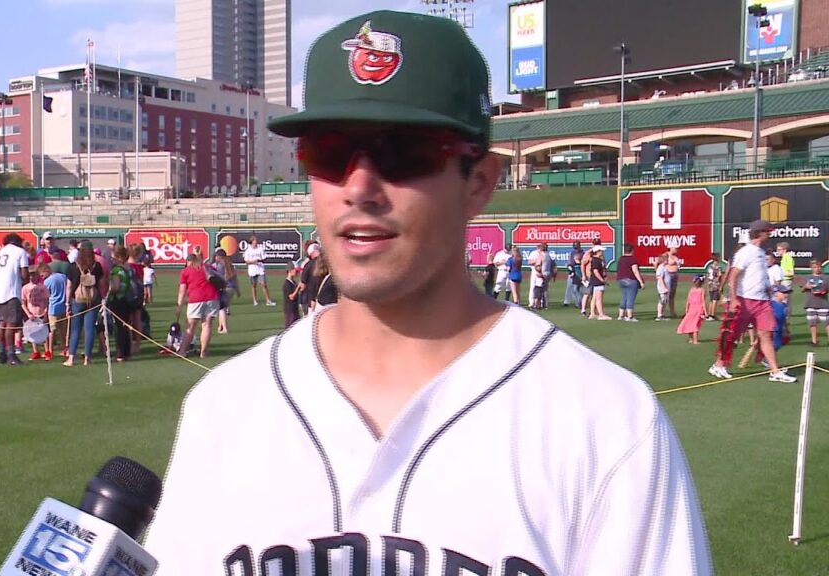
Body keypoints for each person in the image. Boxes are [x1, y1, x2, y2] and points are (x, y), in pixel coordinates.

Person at [145, 11, 712, 575]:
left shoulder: (606, 420)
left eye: (404, 154)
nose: (359, 187)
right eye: (329, 152)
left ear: (480, 182)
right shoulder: (224, 407)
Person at [710, 219, 796, 382]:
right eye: (767, 231)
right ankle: (719, 365)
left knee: (766, 334)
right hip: (744, 301)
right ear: (759, 233)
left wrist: (773, 293)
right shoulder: (746, 252)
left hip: (762, 301)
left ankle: (775, 371)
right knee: (731, 335)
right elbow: (733, 275)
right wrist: (734, 299)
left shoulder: (761, 253)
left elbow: (761, 278)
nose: (769, 234)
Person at [0, 233, 30, 366]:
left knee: (2, 324)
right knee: (11, 324)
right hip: (11, 292)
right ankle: (11, 355)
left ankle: (2, 354)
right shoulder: (20, 252)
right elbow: (24, 274)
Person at [65, 241, 106, 367]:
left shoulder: (73, 266)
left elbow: (69, 286)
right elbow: (101, 284)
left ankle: (71, 358)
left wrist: (67, 303)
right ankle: (87, 357)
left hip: (77, 299)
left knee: (76, 329)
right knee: (89, 329)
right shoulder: (96, 266)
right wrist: (103, 298)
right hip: (93, 299)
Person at [175, 253, 221, 358]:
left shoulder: (185, 271)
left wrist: (179, 306)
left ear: (188, 262)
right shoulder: (208, 267)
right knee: (207, 325)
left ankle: (182, 351)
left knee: (190, 327)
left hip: (196, 299)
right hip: (212, 297)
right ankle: (203, 352)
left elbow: (182, 291)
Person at [106, 246, 136, 362]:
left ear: (119, 257)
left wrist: (109, 291)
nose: (112, 259)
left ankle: (120, 353)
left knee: (119, 327)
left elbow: (115, 287)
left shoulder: (117, 270)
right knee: (126, 325)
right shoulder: (129, 268)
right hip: (128, 299)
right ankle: (127, 351)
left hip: (118, 300)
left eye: (113, 257)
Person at [21, 264, 51, 361]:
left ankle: (47, 351)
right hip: (31, 314)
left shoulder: (42, 287)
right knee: (32, 333)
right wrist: (28, 314)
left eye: (34, 275)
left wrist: (46, 313)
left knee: (44, 332)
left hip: (42, 312)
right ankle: (35, 351)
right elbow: (23, 302)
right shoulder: (25, 288)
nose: (32, 277)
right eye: (30, 275)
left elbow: (47, 301)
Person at [42, 262, 69, 360]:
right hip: (63, 306)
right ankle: (65, 349)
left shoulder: (47, 281)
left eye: (42, 274)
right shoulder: (63, 277)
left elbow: (46, 296)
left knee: (52, 330)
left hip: (53, 308)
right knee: (63, 330)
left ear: (46, 270)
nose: (42, 277)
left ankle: (50, 351)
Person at [801, 260, 829, 346]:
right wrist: (806, 286)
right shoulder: (807, 277)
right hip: (810, 303)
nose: (817, 269)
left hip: (822, 304)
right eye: (814, 267)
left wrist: (822, 292)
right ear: (811, 268)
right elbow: (802, 289)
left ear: (821, 267)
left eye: (818, 267)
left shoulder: (826, 278)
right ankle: (814, 341)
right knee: (812, 323)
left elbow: (827, 289)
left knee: (827, 323)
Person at [616, 243, 645, 321]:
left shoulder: (621, 258)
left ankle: (621, 316)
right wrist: (641, 282)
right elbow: (635, 271)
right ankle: (630, 316)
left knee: (624, 297)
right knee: (630, 298)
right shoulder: (632, 259)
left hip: (621, 280)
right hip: (631, 280)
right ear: (632, 250)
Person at [244, 235, 276, 306]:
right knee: (253, 285)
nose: (256, 242)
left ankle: (268, 300)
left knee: (264, 284)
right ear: (251, 242)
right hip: (252, 270)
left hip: (260, 269)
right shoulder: (248, 251)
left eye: (256, 241)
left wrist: (259, 260)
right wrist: (253, 262)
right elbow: (246, 261)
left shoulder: (260, 249)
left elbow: (264, 258)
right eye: (254, 241)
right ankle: (255, 301)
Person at [677, 275, 706, 344]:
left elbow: (688, 300)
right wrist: (705, 311)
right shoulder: (702, 290)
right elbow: (703, 301)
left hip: (691, 309)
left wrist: (687, 308)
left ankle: (691, 339)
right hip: (698, 309)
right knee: (695, 324)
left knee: (690, 323)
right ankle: (695, 340)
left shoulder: (692, 290)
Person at [588, 245, 610, 319]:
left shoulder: (598, 260)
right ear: (597, 252)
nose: (603, 252)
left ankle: (592, 313)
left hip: (596, 280)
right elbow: (595, 271)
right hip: (597, 281)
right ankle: (601, 315)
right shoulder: (596, 260)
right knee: (599, 298)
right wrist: (602, 280)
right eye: (601, 251)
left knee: (594, 297)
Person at [704, 253, 724, 321]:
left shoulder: (710, 267)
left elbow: (708, 277)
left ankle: (709, 314)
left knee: (711, 300)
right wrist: (721, 285)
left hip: (710, 285)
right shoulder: (718, 268)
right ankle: (712, 315)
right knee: (715, 300)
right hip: (716, 285)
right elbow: (719, 276)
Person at [563, 241, 583, 307]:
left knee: (577, 288)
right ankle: (566, 302)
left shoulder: (582, 253)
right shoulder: (572, 253)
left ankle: (579, 302)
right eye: (575, 247)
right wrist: (569, 266)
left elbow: (582, 264)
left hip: (578, 272)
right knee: (569, 287)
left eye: (577, 247)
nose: (576, 248)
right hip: (572, 272)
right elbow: (569, 262)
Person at [666, 246, 681, 318]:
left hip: (675, 275)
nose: (676, 249)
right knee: (666, 294)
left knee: (672, 294)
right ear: (671, 248)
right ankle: (661, 313)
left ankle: (672, 312)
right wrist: (659, 273)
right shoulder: (665, 255)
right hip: (669, 275)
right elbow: (656, 263)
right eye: (675, 248)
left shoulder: (675, 257)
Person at [656, 255, 671, 321]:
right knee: (662, 300)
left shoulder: (664, 267)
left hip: (666, 287)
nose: (668, 260)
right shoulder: (661, 267)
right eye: (667, 259)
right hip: (662, 288)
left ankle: (662, 314)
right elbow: (660, 278)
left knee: (665, 301)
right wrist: (664, 287)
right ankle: (659, 315)